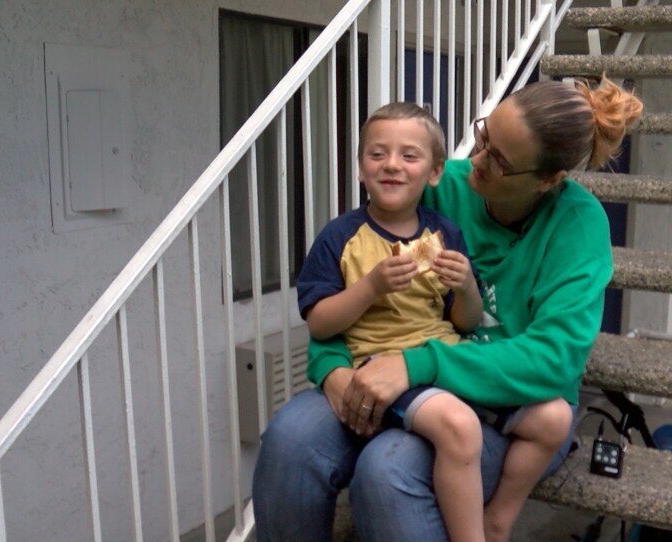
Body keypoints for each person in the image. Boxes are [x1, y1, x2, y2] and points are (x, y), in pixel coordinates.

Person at [252, 76, 644, 542]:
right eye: (484, 137)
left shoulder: (578, 225)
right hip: (397, 367)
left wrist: (417, 364)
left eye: (498, 160)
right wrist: (333, 369)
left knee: (387, 470)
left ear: (547, 179)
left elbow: (555, 359)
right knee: (290, 440)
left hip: (509, 397)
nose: (475, 160)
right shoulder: (444, 187)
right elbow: (354, 280)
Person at [292, 101, 570, 542]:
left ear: (435, 172)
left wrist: (466, 288)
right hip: (382, 364)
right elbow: (320, 325)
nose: (391, 166)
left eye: (409, 156)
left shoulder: (441, 233)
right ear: (360, 167)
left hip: (442, 355)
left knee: (554, 418)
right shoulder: (340, 237)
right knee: (458, 427)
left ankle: (497, 524)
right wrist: (370, 287)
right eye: (377, 154)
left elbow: (465, 322)